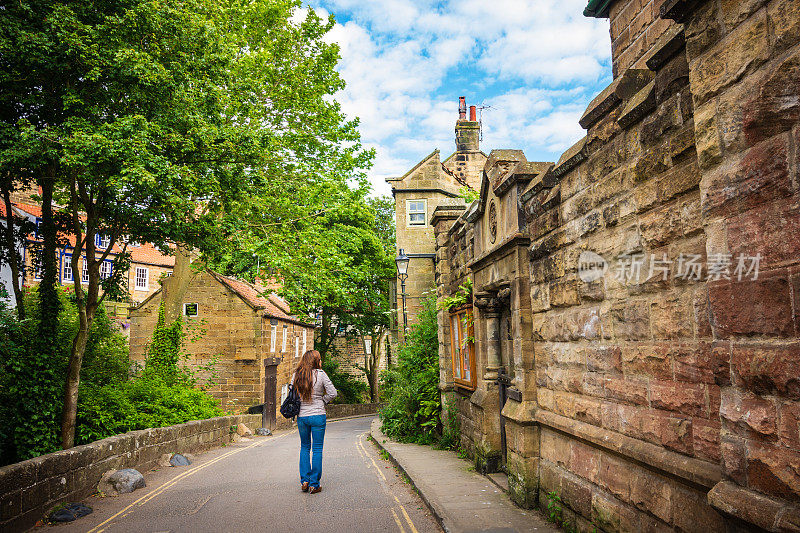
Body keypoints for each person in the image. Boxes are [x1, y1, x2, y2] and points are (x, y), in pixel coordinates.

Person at [291, 349, 337, 493]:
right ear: (316, 361)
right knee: (317, 449)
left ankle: (304, 481)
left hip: (302, 416)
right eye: (320, 359)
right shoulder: (321, 375)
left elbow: (291, 395)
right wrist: (322, 401)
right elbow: (333, 393)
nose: (321, 361)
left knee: (304, 447)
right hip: (318, 415)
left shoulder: (296, 375)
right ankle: (314, 484)